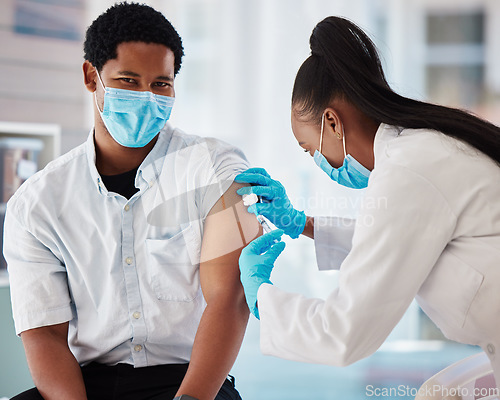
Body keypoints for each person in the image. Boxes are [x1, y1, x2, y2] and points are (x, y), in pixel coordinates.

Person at [4, 3, 260, 400]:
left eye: (161, 84)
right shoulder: (36, 203)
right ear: (92, 76)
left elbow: (228, 298)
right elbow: (45, 336)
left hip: (192, 381)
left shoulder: (215, 167)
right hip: (87, 385)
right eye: (128, 80)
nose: (147, 96)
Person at [236, 15, 500, 391]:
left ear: (332, 122)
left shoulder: (409, 171)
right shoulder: (418, 149)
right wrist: (301, 223)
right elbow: (397, 242)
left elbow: (344, 333)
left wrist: (262, 295)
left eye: (310, 148)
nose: (316, 161)